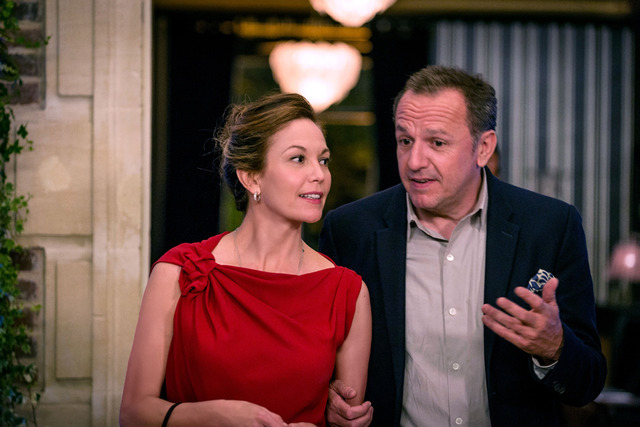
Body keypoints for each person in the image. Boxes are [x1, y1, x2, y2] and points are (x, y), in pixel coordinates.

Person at [319, 65, 606, 427]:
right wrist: (327, 399)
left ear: (483, 148)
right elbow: (319, 357)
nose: (414, 161)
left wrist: (554, 348)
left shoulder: (550, 226)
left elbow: (587, 383)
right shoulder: (351, 230)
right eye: (405, 141)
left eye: (437, 143)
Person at [120, 92, 372, 427]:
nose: (319, 174)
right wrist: (214, 415)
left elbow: (348, 420)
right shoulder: (178, 272)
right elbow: (133, 413)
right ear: (251, 177)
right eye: (298, 159)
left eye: (323, 160)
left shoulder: (348, 293)